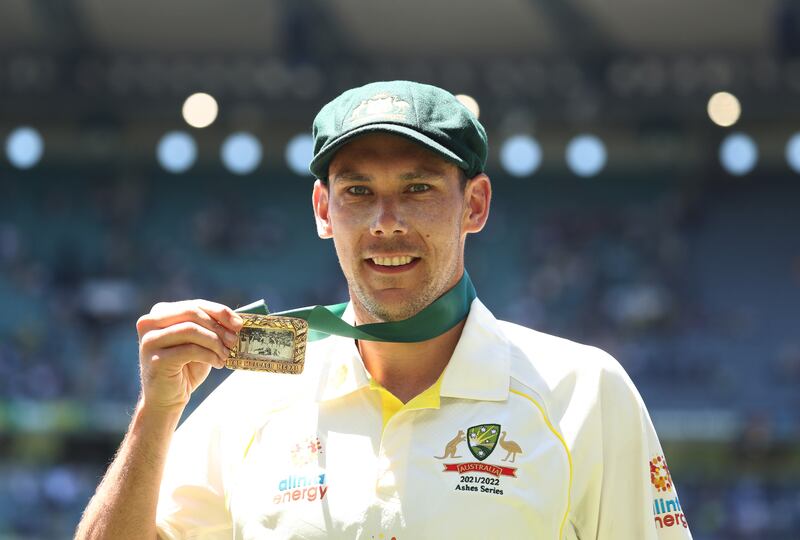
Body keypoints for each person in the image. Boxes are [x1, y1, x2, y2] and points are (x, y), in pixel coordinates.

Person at [76, 81, 693, 539]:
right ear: (324, 210)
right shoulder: (252, 401)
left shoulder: (583, 391)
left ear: (475, 205)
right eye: (358, 192)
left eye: (419, 188)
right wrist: (155, 414)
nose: (386, 223)